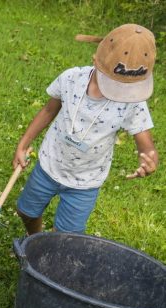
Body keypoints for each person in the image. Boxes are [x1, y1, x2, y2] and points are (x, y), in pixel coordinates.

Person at [13, 24, 158, 235]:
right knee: (26, 211)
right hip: (49, 165)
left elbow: (147, 146)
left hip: (86, 182)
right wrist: (22, 145)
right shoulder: (72, 79)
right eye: (116, 84)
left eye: (128, 86)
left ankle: (52, 252)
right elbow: (47, 111)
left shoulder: (133, 102)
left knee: (67, 235)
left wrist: (149, 161)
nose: (122, 92)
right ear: (97, 61)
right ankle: (34, 238)